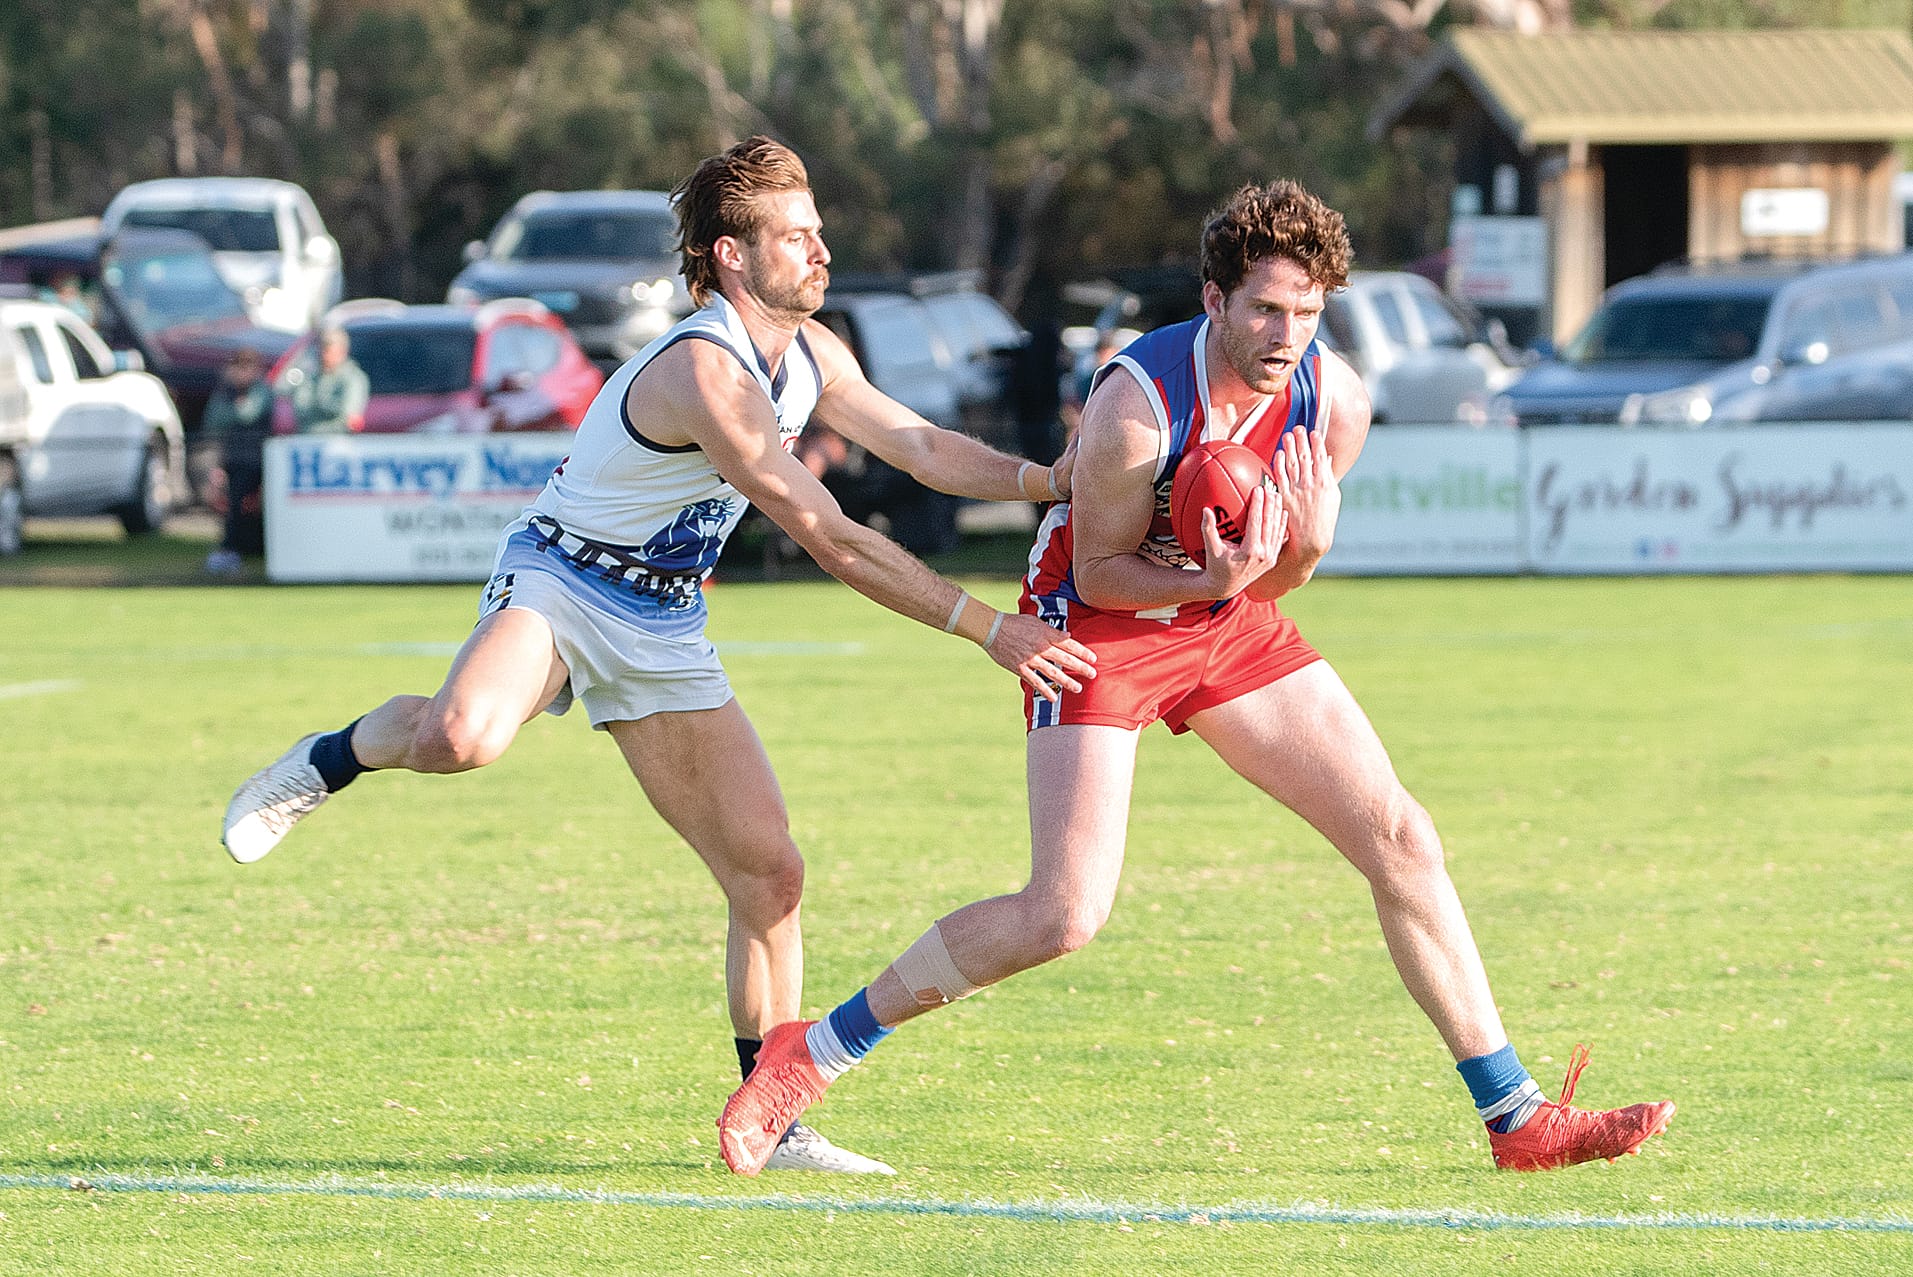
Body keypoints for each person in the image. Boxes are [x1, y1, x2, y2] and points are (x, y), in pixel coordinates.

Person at [717, 180, 1675, 1177]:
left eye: (1305, 313)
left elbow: (1283, 577)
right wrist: (1215, 573)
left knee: (1399, 834)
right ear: (1214, 299)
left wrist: (1301, 549)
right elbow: (1095, 570)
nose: (1284, 333)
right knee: (1063, 912)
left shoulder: (1330, 399)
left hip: (1221, 618)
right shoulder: (1133, 406)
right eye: (1264, 307)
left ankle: (1513, 1114)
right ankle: (809, 1052)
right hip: (1096, 620)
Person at [219, 137, 1096, 1174]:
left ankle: (773, 1118)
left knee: (768, 873)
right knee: (460, 736)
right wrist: (990, 628)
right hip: (562, 576)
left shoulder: (812, 354)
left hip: (662, 617)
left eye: (819, 231)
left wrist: (1050, 480)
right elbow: (829, 534)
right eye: (795, 236)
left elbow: (919, 446)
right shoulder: (702, 369)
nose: (820, 252)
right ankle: (322, 761)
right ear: (731, 256)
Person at [202, 347, 276, 574]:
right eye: (238, 368)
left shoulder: (262, 390)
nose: (242, 373)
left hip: (257, 460)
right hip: (232, 459)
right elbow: (213, 419)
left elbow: (248, 413)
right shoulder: (226, 391)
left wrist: (233, 411)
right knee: (230, 505)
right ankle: (233, 548)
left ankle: (234, 548)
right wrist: (235, 409)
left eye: (246, 368)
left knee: (248, 505)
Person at [285, 326, 368, 435]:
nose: (323, 354)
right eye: (322, 348)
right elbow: (301, 408)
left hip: (340, 443)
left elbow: (347, 415)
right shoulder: (310, 377)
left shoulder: (354, 378)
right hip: (308, 441)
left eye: (328, 349)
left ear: (342, 351)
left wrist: (319, 405)